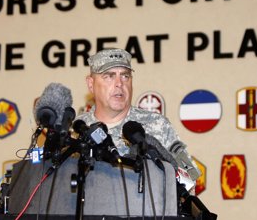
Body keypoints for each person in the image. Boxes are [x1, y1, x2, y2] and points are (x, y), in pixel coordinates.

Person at [76, 48, 200, 184]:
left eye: (125, 76)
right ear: (91, 84)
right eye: (109, 76)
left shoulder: (157, 125)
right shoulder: (77, 130)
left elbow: (188, 183)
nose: (119, 83)